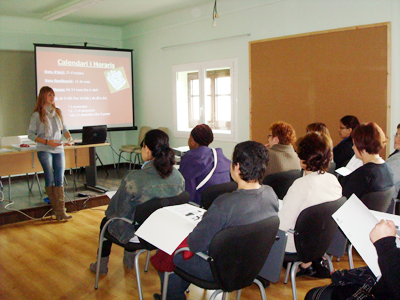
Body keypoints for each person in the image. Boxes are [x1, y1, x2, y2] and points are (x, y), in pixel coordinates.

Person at [155, 141, 279, 300]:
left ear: (237, 167)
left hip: (217, 269)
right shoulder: (271, 195)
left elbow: (195, 243)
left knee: (166, 253)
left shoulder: (225, 204)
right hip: (250, 266)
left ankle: (173, 297)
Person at [89, 129, 185, 274]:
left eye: (142, 146)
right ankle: (129, 259)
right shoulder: (178, 176)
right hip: (164, 234)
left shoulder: (133, 179)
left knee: (107, 222)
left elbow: (113, 211)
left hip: (139, 236)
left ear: (147, 149)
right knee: (134, 213)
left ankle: (101, 266)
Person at [278, 132, 342, 276]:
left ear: (302, 159)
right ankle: (307, 265)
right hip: (320, 242)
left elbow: (282, 226)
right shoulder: (333, 181)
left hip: (296, 245)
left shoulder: (301, 185)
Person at [305, 219, 400, 300]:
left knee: (314, 295)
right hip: (381, 280)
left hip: (384, 288)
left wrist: (385, 244)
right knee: (316, 294)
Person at [27, 86, 74, 221]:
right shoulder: (37, 115)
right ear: (43, 97)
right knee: (50, 177)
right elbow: (30, 134)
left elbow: (64, 128)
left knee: (59, 177)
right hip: (44, 148)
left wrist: (69, 138)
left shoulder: (58, 112)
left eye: (53, 95)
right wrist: (48, 142)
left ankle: (61, 212)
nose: (52, 98)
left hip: (58, 148)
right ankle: (58, 211)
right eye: (49, 95)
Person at [179, 124, 231, 204]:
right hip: (224, 203)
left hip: (201, 205)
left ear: (192, 141)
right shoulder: (219, 155)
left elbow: (187, 192)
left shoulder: (190, 157)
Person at [341, 122, 394, 200]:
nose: (353, 148)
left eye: (354, 144)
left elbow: (343, 198)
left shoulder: (362, 175)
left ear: (362, 146)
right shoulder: (388, 170)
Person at [387, 123, 400, 197]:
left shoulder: (397, 161)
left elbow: (384, 182)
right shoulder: (396, 154)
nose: (395, 138)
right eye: (396, 134)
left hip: (389, 202)